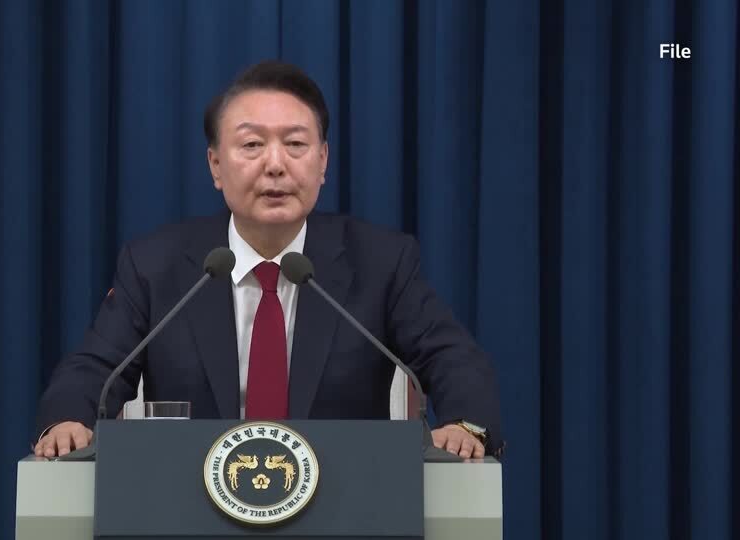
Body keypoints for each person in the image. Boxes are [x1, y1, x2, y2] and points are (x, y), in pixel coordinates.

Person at [34, 61, 504, 460]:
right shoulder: (156, 265)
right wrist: (68, 421)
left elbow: (451, 357)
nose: (275, 165)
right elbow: (93, 368)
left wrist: (466, 425)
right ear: (216, 165)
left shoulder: (381, 262)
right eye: (252, 145)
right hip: (189, 504)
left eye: (295, 144)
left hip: (345, 504)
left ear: (323, 161)